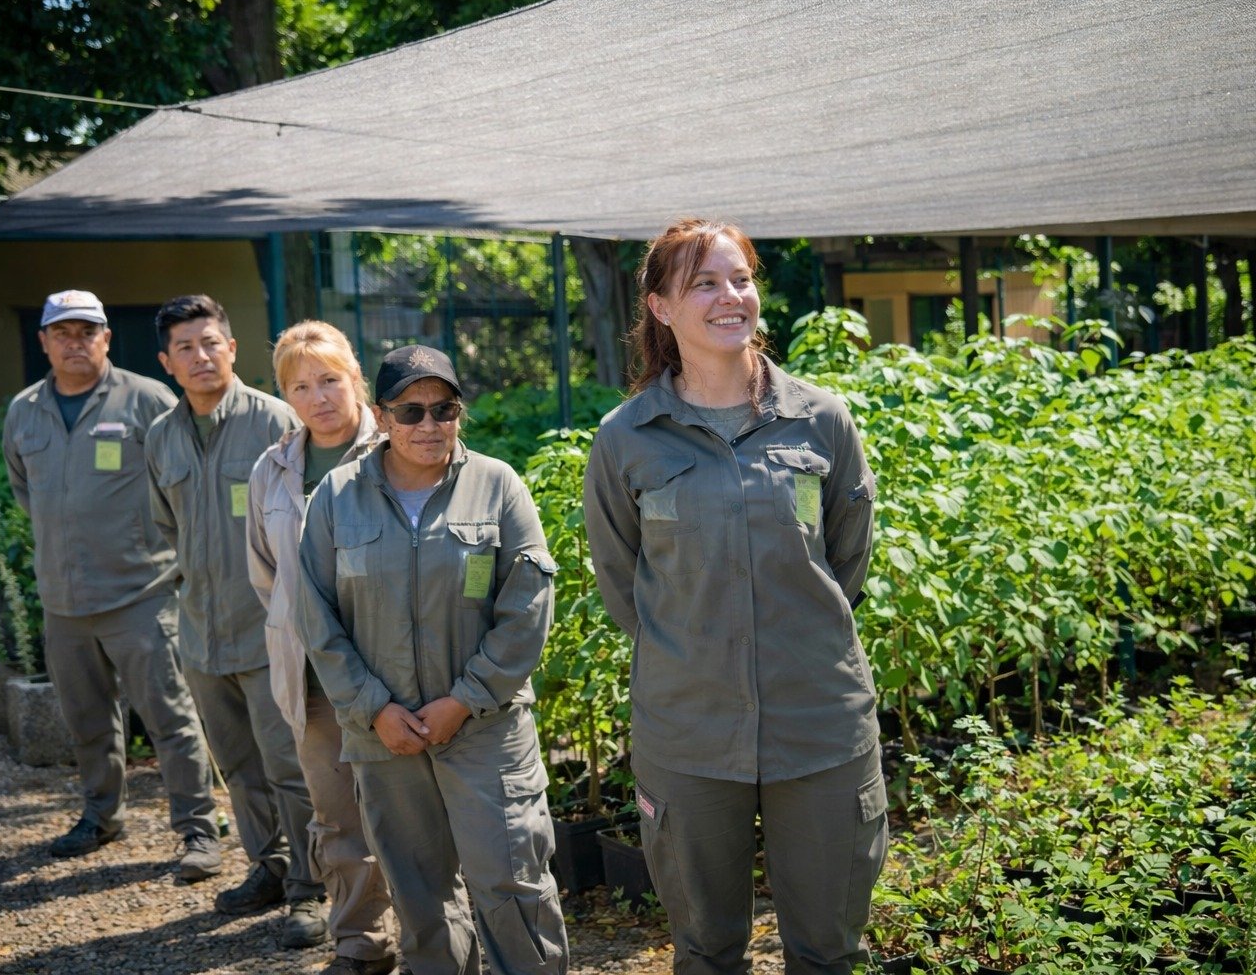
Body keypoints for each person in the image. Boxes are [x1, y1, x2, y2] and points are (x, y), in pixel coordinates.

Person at [582, 219, 885, 975]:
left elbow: (844, 560)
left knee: (826, 951)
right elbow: (624, 583)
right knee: (708, 951)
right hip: (688, 735)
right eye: (704, 283)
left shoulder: (820, 419)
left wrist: (791, 635)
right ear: (658, 307)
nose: (730, 297)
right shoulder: (628, 439)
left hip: (818, 724)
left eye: (740, 279)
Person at [294, 345, 568, 975]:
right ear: (380, 417)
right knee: (420, 897)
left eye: (443, 409)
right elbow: (316, 617)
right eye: (410, 410)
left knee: (511, 883)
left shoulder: (498, 486)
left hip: (485, 727)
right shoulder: (337, 496)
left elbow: (526, 610)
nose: (428, 425)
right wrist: (373, 708)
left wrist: (463, 699)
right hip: (383, 737)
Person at [2, 289, 222, 879]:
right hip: (64, 603)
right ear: (43, 341)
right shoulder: (24, 410)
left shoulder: (148, 400)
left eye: (87, 332)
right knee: (87, 721)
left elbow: (185, 483)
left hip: (141, 595)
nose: (75, 343)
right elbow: (26, 490)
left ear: (106, 338)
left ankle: (199, 831)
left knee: (171, 719)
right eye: (62, 333)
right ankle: (102, 815)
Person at [143, 295, 325, 948]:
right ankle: (270, 866)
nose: (201, 356)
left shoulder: (276, 423)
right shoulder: (160, 436)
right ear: (166, 362)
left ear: (233, 347)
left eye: (210, 341)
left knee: (290, 764)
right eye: (185, 347)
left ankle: (314, 889)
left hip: (271, 630)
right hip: (202, 633)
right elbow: (164, 525)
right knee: (239, 768)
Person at [246, 321, 400, 975]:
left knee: (409, 815)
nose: (319, 397)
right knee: (336, 819)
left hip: (395, 669)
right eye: (301, 386)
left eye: (331, 380)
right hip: (311, 677)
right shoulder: (272, 468)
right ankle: (360, 944)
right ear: (285, 395)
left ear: (356, 380)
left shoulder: (401, 449)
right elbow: (265, 573)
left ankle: (434, 943)